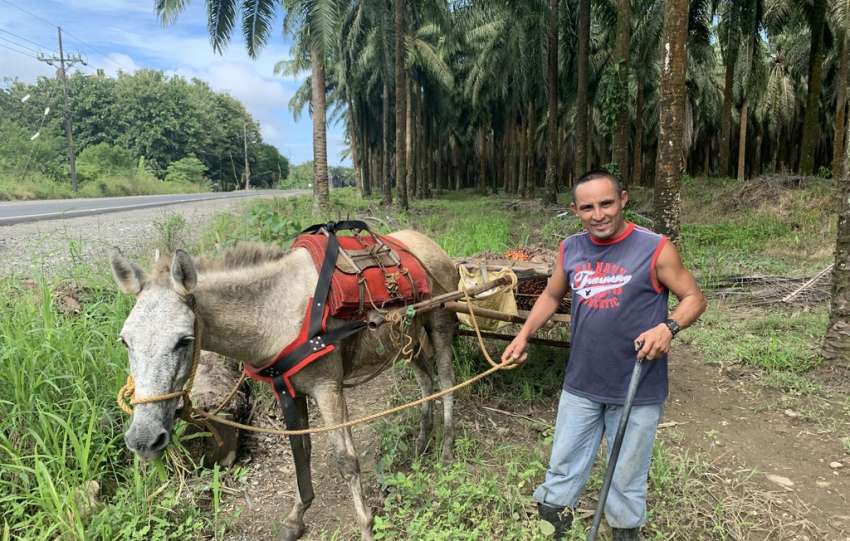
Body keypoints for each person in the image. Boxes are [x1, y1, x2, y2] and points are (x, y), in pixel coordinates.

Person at [502, 170, 707, 540]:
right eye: (587, 207)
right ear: (575, 210)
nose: (598, 214)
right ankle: (553, 530)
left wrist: (668, 327)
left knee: (626, 476)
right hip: (581, 383)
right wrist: (524, 334)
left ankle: (624, 532)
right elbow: (551, 295)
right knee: (562, 467)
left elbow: (694, 298)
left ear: (623, 200)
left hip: (637, 384)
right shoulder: (571, 249)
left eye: (606, 203)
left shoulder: (655, 248)